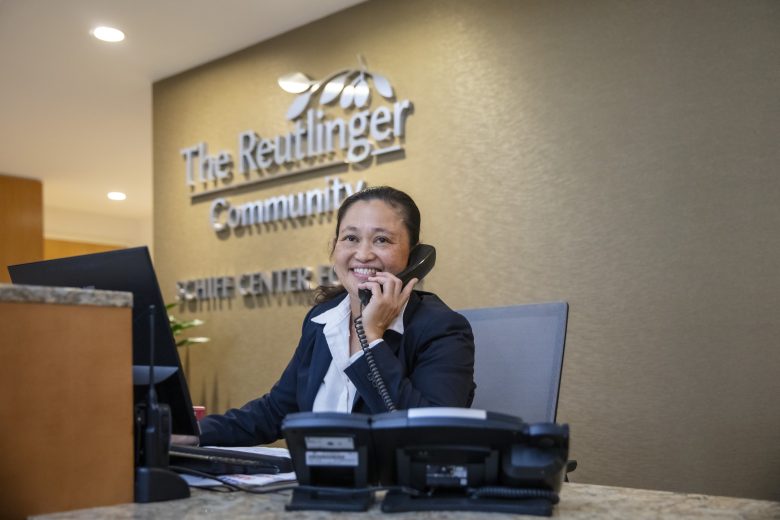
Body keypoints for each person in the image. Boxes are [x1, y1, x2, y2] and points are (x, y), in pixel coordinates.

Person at [197, 186, 475, 447]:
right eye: (351, 238)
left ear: (415, 256)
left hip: (392, 495)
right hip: (318, 488)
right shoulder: (322, 320)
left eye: (382, 240)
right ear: (334, 247)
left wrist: (372, 337)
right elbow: (276, 411)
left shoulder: (441, 329)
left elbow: (432, 436)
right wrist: (192, 432)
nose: (363, 254)